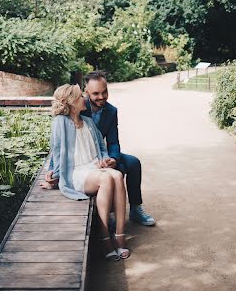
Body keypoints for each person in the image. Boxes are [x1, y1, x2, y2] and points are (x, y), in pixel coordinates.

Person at [45, 71, 155, 227]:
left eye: (104, 92)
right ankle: (108, 214)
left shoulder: (111, 111)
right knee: (119, 171)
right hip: (84, 159)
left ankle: (136, 209)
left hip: (103, 154)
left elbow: (113, 141)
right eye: (96, 93)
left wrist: (113, 158)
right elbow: (60, 144)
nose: (101, 97)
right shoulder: (79, 106)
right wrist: (53, 170)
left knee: (133, 163)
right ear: (86, 92)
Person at [40, 83, 130, 261]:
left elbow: (101, 147)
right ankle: (105, 238)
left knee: (118, 176)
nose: (85, 99)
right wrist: (54, 174)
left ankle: (119, 235)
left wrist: (104, 159)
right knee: (106, 179)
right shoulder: (60, 123)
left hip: (93, 166)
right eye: (81, 96)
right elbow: (57, 152)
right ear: (72, 102)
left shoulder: (87, 121)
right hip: (76, 172)